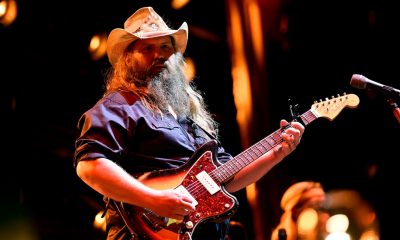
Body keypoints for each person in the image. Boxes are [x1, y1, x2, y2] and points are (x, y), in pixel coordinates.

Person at [73, 6, 305, 240]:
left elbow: (228, 177)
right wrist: (152, 199)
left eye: (165, 47)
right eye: (147, 48)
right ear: (128, 59)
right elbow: (89, 165)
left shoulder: (190, 117)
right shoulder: (120, 105)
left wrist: (276, 154)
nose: (159, 55)